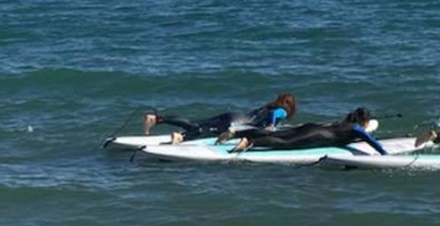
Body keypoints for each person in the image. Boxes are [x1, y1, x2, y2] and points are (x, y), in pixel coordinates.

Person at [142, 92, 297, 144]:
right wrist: (271, 126)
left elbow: (270, 112)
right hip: (236, 124)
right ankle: (180, 138)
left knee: (194, 123)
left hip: (235, 115)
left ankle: (157, 119)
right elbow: (275, 115)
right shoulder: (281, 110)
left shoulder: (268, 106)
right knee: (205, 131)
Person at [229, 107, 387, 155]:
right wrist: (386, 156)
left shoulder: (344, 123)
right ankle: (251, 142)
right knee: (285, 143)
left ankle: (237, 133)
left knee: (275, 134)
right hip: (315, 136)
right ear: (364, 121)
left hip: (312, 127)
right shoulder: (358, 129)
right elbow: (374, 143)